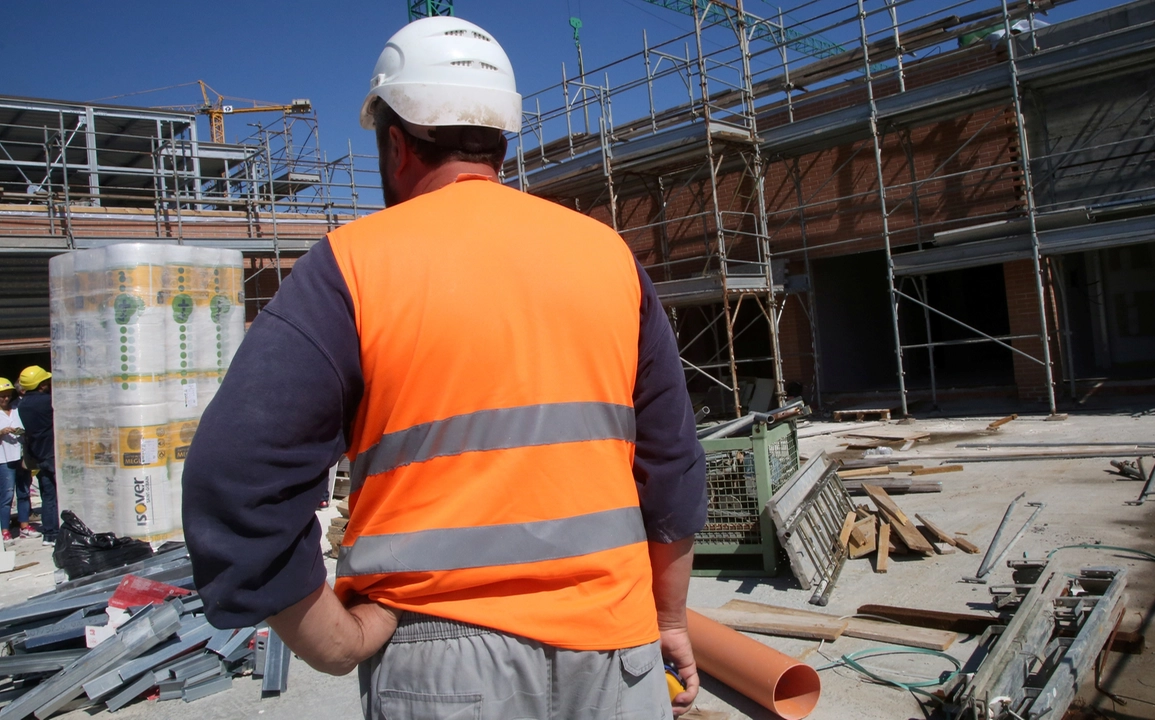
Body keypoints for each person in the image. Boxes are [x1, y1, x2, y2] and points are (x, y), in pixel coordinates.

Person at [183, 15, 708, 720]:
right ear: (500, 139)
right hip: (616, 653)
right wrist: (668, 618)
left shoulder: (350, 266)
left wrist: (333, 644)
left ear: (396, 144)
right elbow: (671, 467)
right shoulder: (609, 256)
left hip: (440, 664)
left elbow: (234, 478)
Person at [16, 366, 56, 546]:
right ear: (41, 384)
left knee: (48, 495)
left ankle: (50, 534)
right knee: (59, 495)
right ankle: (60, 532)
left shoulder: (23, 404)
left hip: (39, 455)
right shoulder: (49, 402)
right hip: (53, 454)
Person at [0, 378, 36, 541]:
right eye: (2, 396)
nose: (5, 399)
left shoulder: (17, 408)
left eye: (7, 395)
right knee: (7, 495)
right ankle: (5, 529)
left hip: (21, 456)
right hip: (4, 458)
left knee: (24, 492)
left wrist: (21, 431)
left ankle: (24, 525)